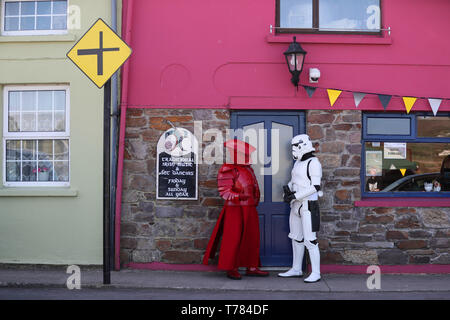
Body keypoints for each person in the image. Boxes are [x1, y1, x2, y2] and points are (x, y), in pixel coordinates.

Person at [203, 139, 269, 280]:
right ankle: (231, 268)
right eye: (243, 153)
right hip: (235, 209)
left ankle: (252, 266)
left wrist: (255, 197)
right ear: (236, 154)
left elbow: (254, 186)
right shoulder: (227, 169)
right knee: (233, 239)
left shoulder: (248, 169)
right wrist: (240, 196)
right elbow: (225, 192)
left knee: (252, 238)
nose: (246, 156)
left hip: (250, 207)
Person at [278, 134, 323, 283]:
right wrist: (288, 190)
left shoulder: (314, 162)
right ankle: (296, 269)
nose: (294, 150)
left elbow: (315, 186)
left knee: (310, 240)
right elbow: (295, 180)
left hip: (308, 205)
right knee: (296, 238)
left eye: (296, 146)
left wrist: (295, 195)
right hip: (296, 205)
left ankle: (316, 272)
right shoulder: (298, 163)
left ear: (302, 145)